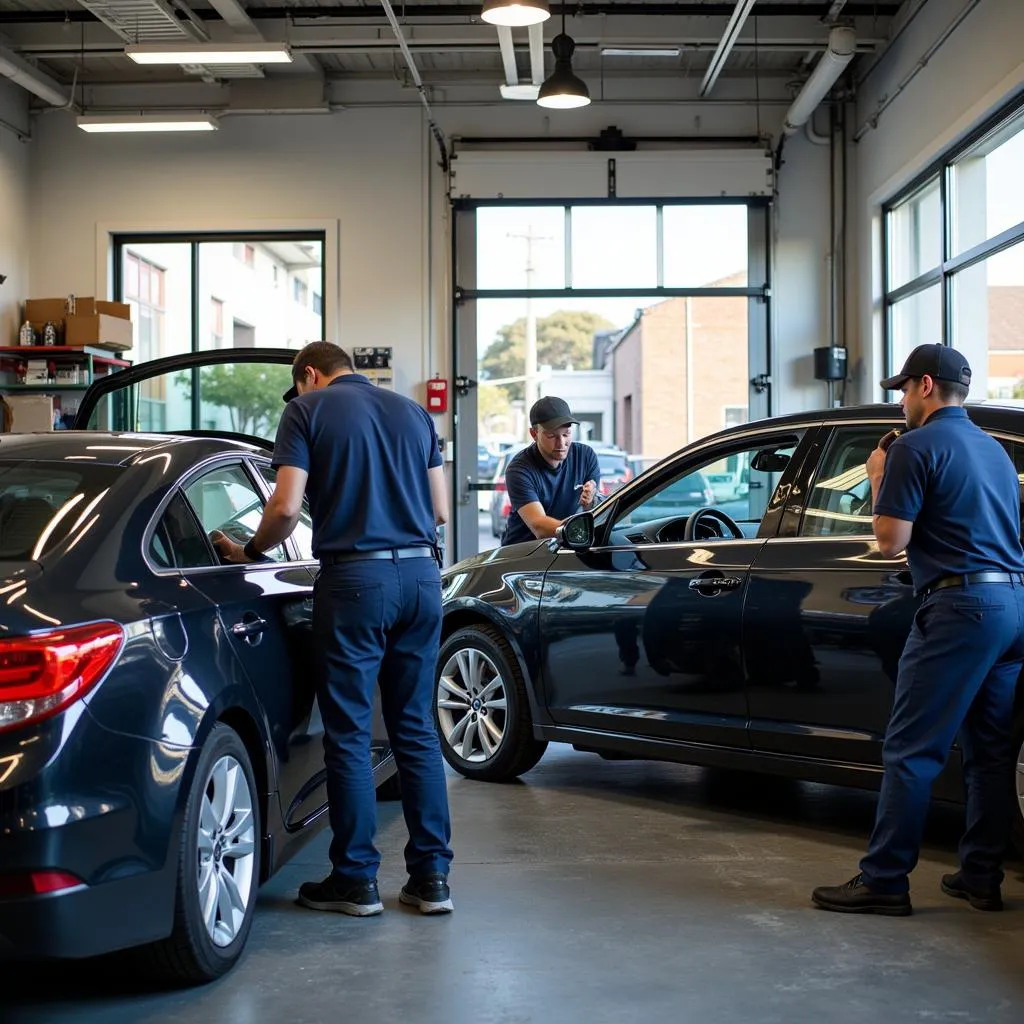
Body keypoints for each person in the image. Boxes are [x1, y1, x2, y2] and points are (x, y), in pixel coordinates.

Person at [212, 342, 455, 917]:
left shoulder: (305, 411)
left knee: (347, 733)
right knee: (415, 729)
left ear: (310, 376)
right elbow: (440, 509)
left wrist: (246, 549)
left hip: (356, 581)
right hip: (422, 577)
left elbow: (285, 509)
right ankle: (432, 880)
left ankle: (355, 881)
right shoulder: (414, 412)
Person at [812, 343, 1024, 916]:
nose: (901, 400)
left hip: (959, 609)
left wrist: (878, 476)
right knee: (991, 752)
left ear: (926, 385)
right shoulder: (996, 451)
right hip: (1012, 607)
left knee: (911, 750)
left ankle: (884, 880)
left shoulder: (913, 447)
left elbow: (890, 542)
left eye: (904, 389)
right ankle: (981, 875)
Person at [500, 396, 601, 546]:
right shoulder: (519, 469)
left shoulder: (585, 456)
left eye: (566, 434)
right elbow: (539, 526)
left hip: (566, 546)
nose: (561, 443)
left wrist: (591, 500)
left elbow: (594, 509)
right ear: (534, 434)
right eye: (551, 435)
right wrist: (579, 532)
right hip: (523, 552)